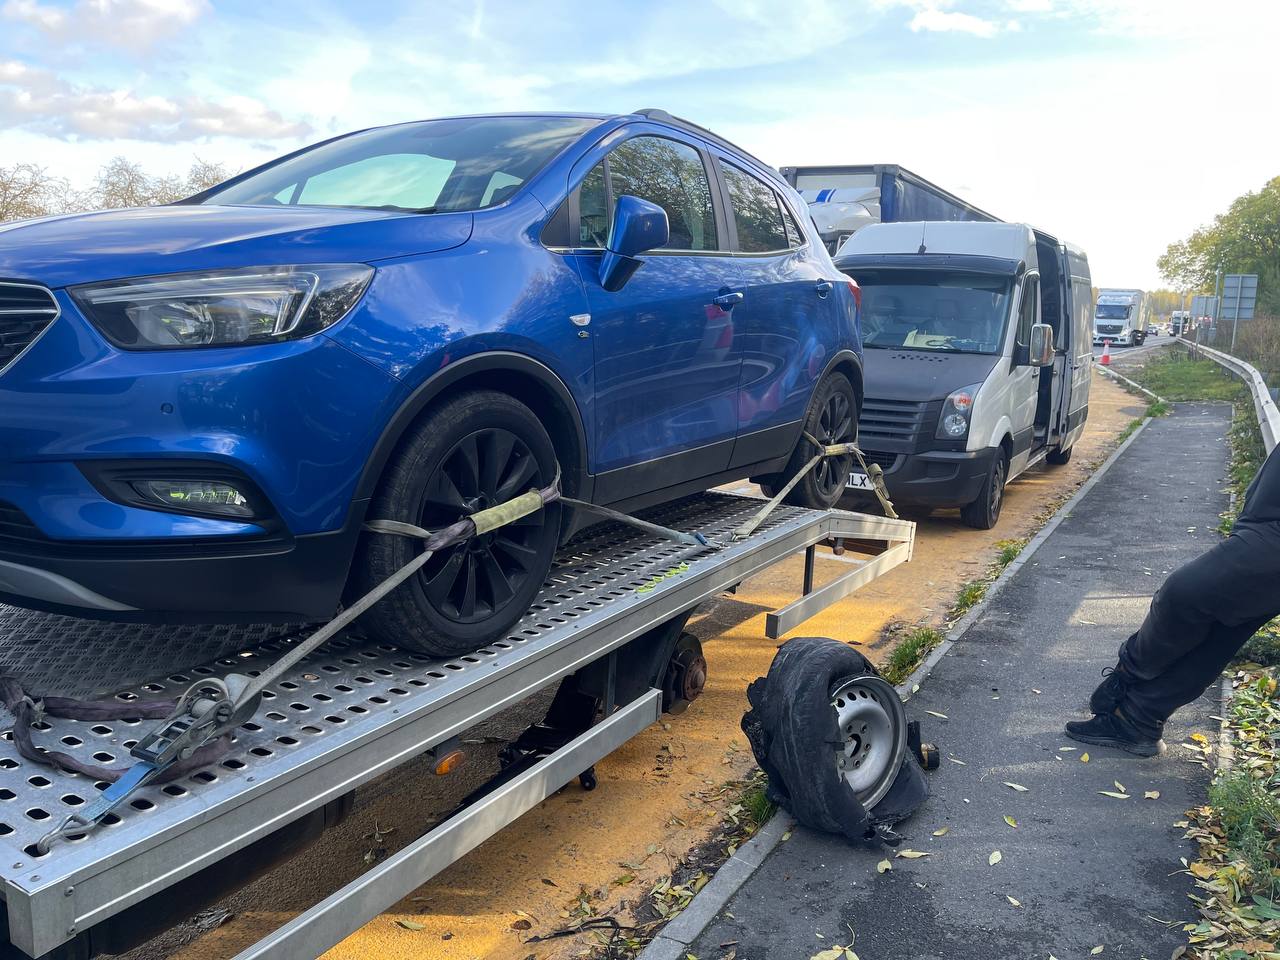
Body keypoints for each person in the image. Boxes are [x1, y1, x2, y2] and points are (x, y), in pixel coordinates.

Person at [1066, 441, 1280, 756]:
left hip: (1271, 536)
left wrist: (1130, 666)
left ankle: (1127, 677)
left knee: (1181, 594)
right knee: (1221, 636)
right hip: (1264, 527)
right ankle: (1137, 720)